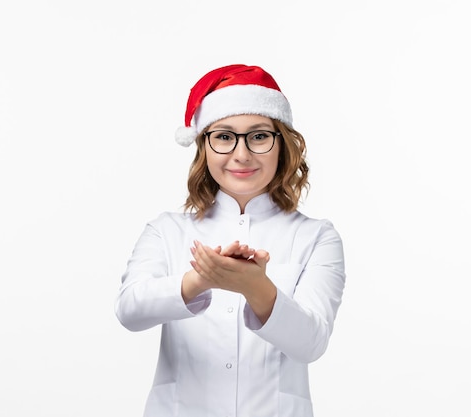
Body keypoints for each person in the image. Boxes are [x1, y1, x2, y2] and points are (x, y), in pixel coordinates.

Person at [115, 64, 346, 417]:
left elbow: (310, 343)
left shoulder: (316, 236)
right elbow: (130, 311)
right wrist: (198, 282)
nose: (241, 154)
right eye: (224, 136)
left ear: (282, 144)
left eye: (258, 136)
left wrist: (258, 289)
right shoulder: (166, 231)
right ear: (203, 146)